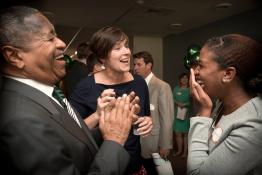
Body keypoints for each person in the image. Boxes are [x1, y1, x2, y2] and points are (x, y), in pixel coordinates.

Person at [0, 6, 137, 174]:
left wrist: (107, 118)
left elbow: (75, 143)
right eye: (50, 38)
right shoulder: (21, 121)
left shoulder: (48, 94)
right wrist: (115, 140)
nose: (62, 43)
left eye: (56, 35)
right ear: (14, 56)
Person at [70, 26, 153, 175]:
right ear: (102, 57)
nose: (127, 51)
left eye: (126, 46)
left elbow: (142, 119)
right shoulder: (86, 86)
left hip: (135, 167)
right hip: (104, 167)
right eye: (117, 48)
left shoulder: (139, 82)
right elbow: (71, 132)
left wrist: (145, 122)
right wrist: (97, 114)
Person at [188, 34, 262, 175]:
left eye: (201, 66)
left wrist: (204, 112)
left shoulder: (254, 125)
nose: (195, 72)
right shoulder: (220, 103)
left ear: (228, 74)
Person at [133, 51, 174, 174]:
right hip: (136, 142)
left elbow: (167, 119)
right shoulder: (135, 85)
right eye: (134, 65)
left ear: (149, 65)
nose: (135, 68)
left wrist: (165, 145)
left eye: (138, 64)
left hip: (153, 143)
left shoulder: (162, 86)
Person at [172, 73, 191, 158]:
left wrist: (185, 104)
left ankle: (185, 152)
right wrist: (177, 103)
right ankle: (179, 151)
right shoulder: (176, 89)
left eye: (186, 78)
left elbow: (193, 101)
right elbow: (172, 98)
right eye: (182, 78)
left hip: (186, 114)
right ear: (180, 79)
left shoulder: (190, 89)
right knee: (177, 134)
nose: (184, 80)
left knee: (185, 134)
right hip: (177, 114)